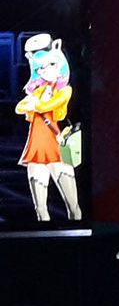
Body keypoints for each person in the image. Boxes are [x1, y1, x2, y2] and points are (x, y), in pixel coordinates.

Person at [15, 33, 82, 221]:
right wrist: (34, 102)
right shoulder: (38, 90)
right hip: (36, 148)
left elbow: (48, 106)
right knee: (41, 210)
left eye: (51, 64)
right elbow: (20, 107)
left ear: (59, 65)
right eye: (41, 68)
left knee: (73, 207)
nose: (45, 70)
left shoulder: (65, 90)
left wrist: (36, 104)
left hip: (56, 146)